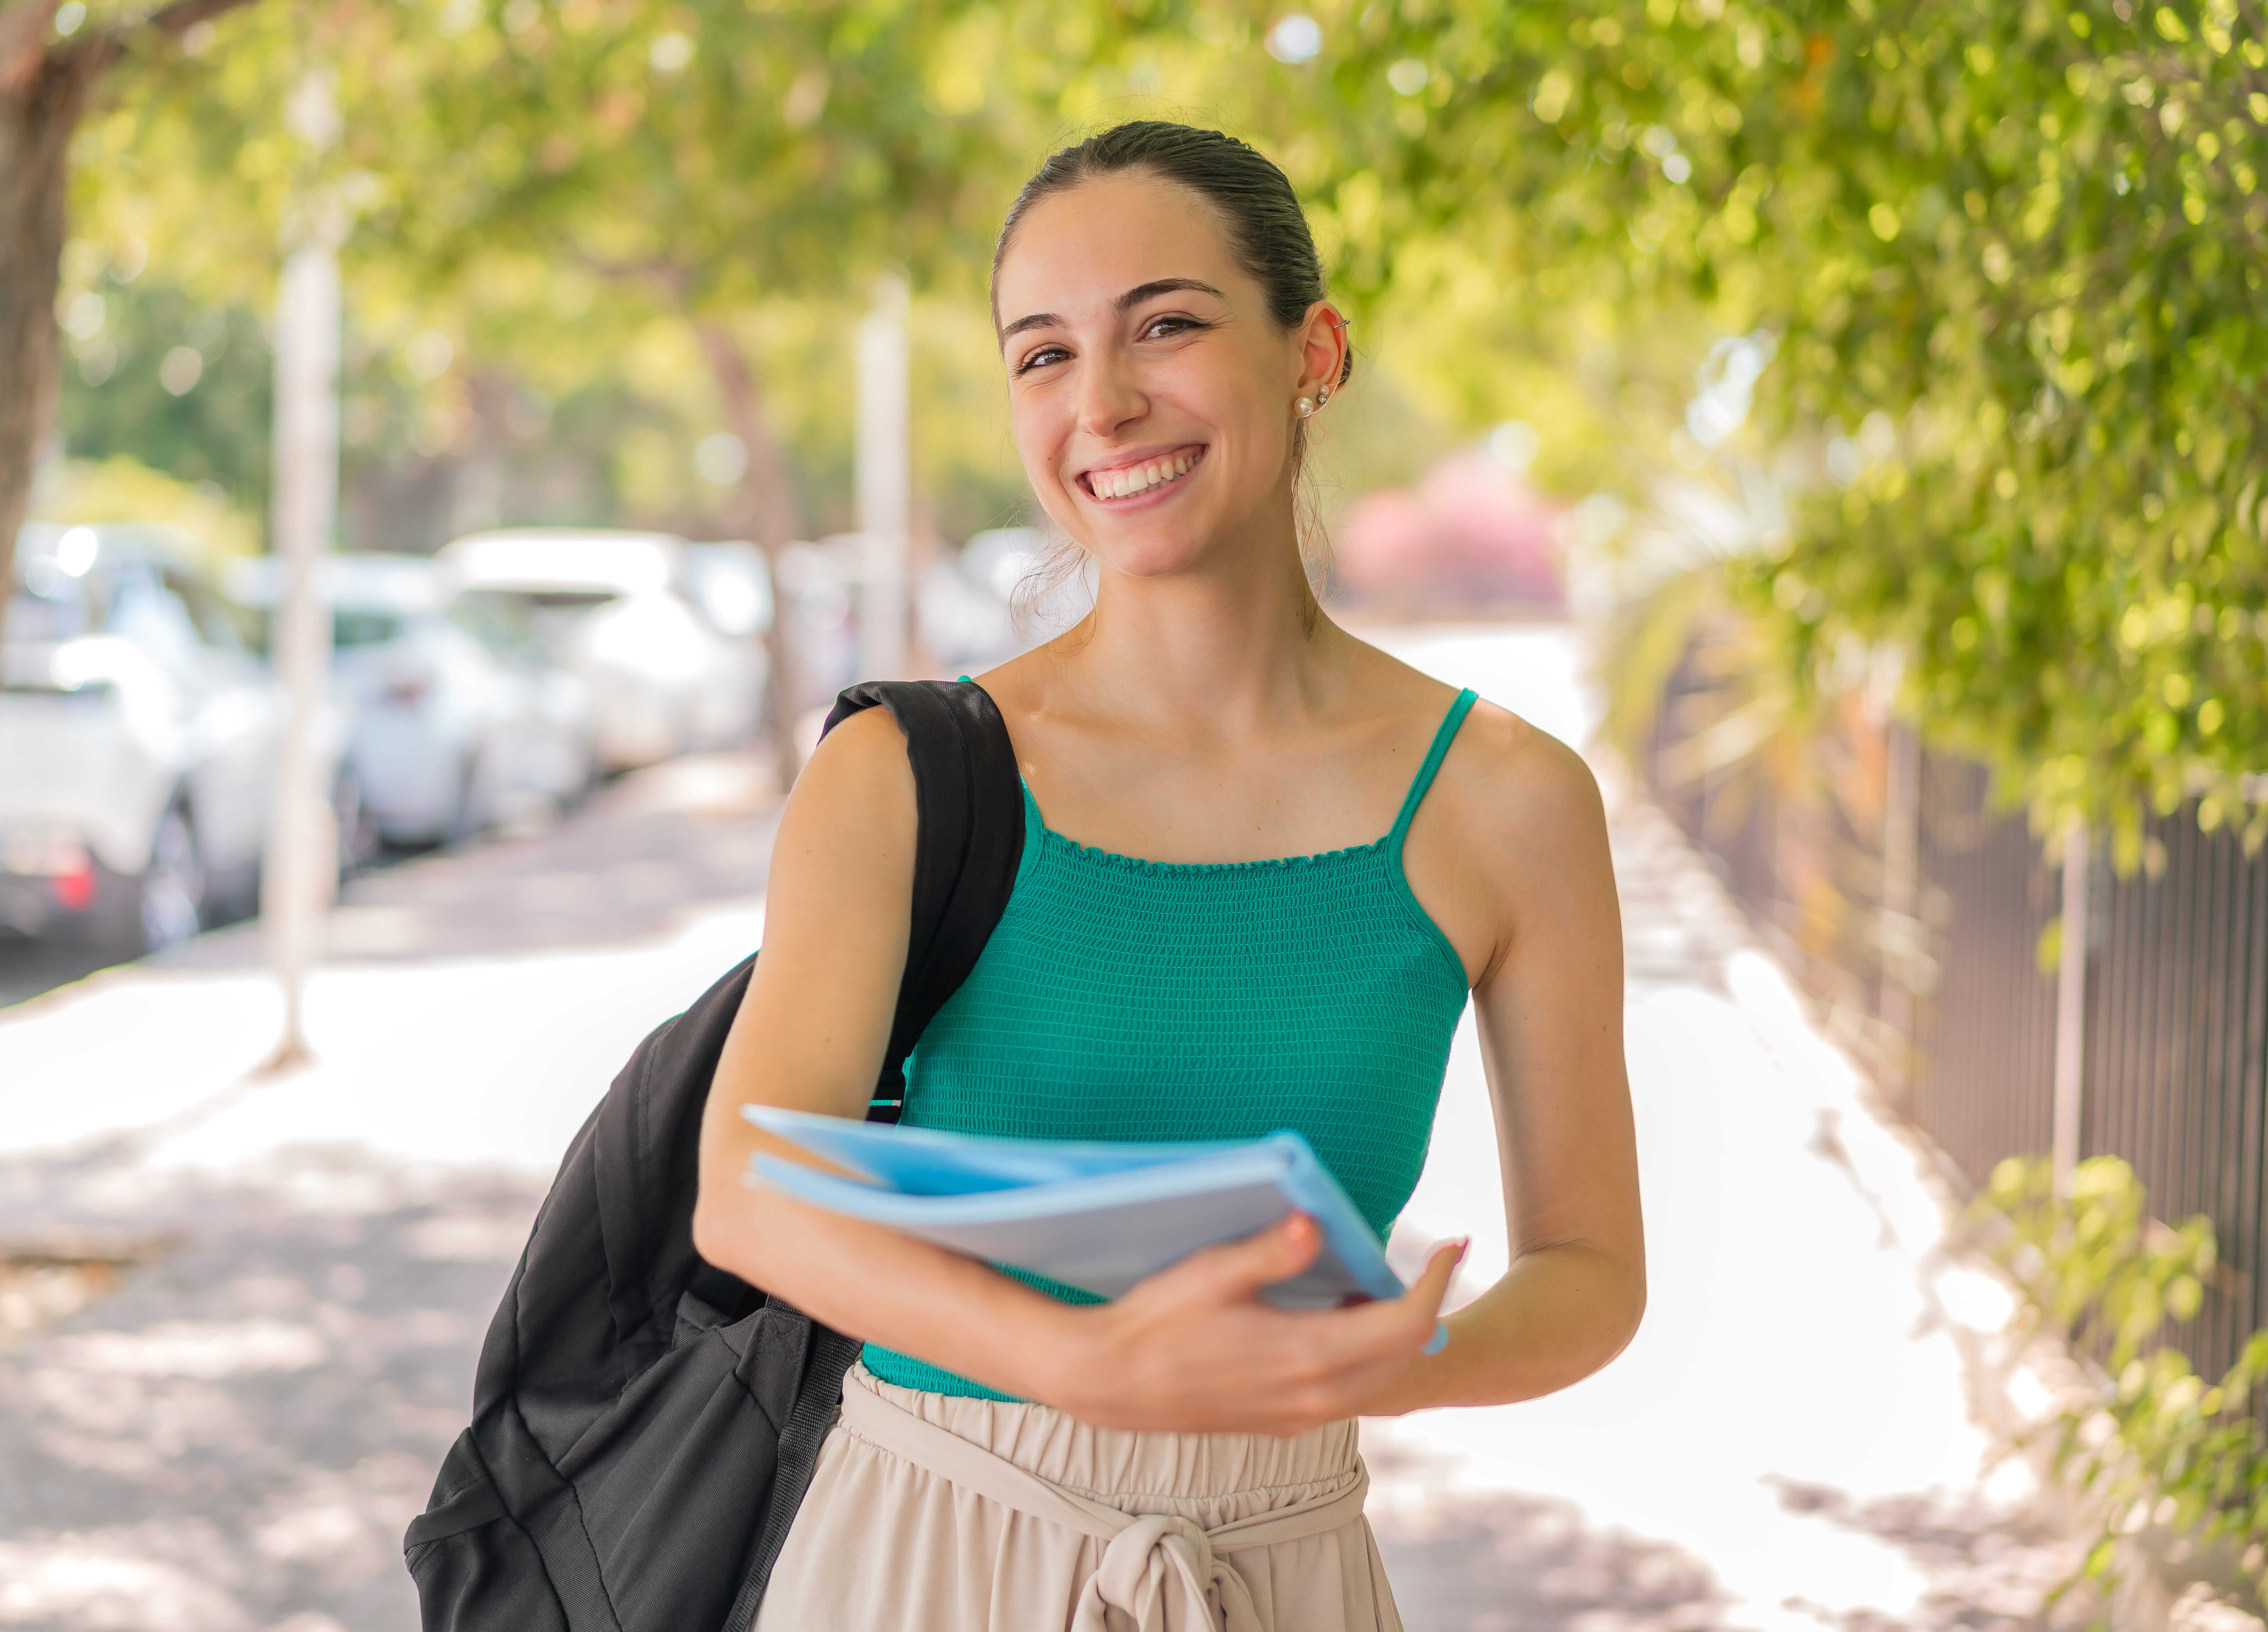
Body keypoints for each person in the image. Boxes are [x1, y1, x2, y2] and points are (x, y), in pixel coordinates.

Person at [695, 120, 1643, 1632]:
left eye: (1168, 326)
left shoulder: (1510, 802)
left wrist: (1407, 1361)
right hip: (930, 1547)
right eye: (1042, 355)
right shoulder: (903, 774)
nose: (1104, 403)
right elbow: (747, 1193)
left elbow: (1592, 1270)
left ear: (1311, 349)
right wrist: (1084, 1365)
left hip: (1282, 1562)